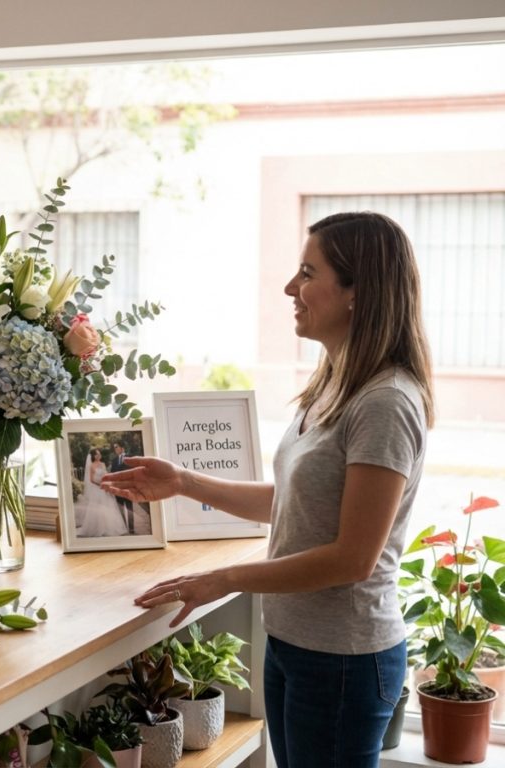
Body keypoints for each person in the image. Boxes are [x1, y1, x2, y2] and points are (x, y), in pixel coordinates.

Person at [101, 212, 434, 768]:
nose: (289, 288)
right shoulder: (334, 385)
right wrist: (182, 482)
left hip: (343, 659)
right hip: (295, 645)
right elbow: (296, 502)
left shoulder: (385, 402)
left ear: (359, 292)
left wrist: (221, 580)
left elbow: (353, 558)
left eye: (307, 272)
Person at [75, 448, 129, 537]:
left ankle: (109, 527)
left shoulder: (103, 464)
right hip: (97, 489)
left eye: (99, 454)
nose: (99, 456)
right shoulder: (91, 466)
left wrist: (107, 484)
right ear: (93, 456)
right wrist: (100, 484)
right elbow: (91, 480)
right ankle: (98, 528)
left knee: (109, 506)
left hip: (105, 489)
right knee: (98, 508)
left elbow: (106, 475)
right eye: (97, 454)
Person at [110, 442, 135, 533]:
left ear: (122, 448)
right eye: (114, 448)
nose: (115, 449)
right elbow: (112, 474)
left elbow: (133, 472)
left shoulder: (130, 458)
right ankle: (124, 528)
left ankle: (131, 529)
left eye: (117, 447)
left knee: (129, 508)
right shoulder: (114, 461)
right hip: (118, 489)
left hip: (128, 488)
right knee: (120, 509)